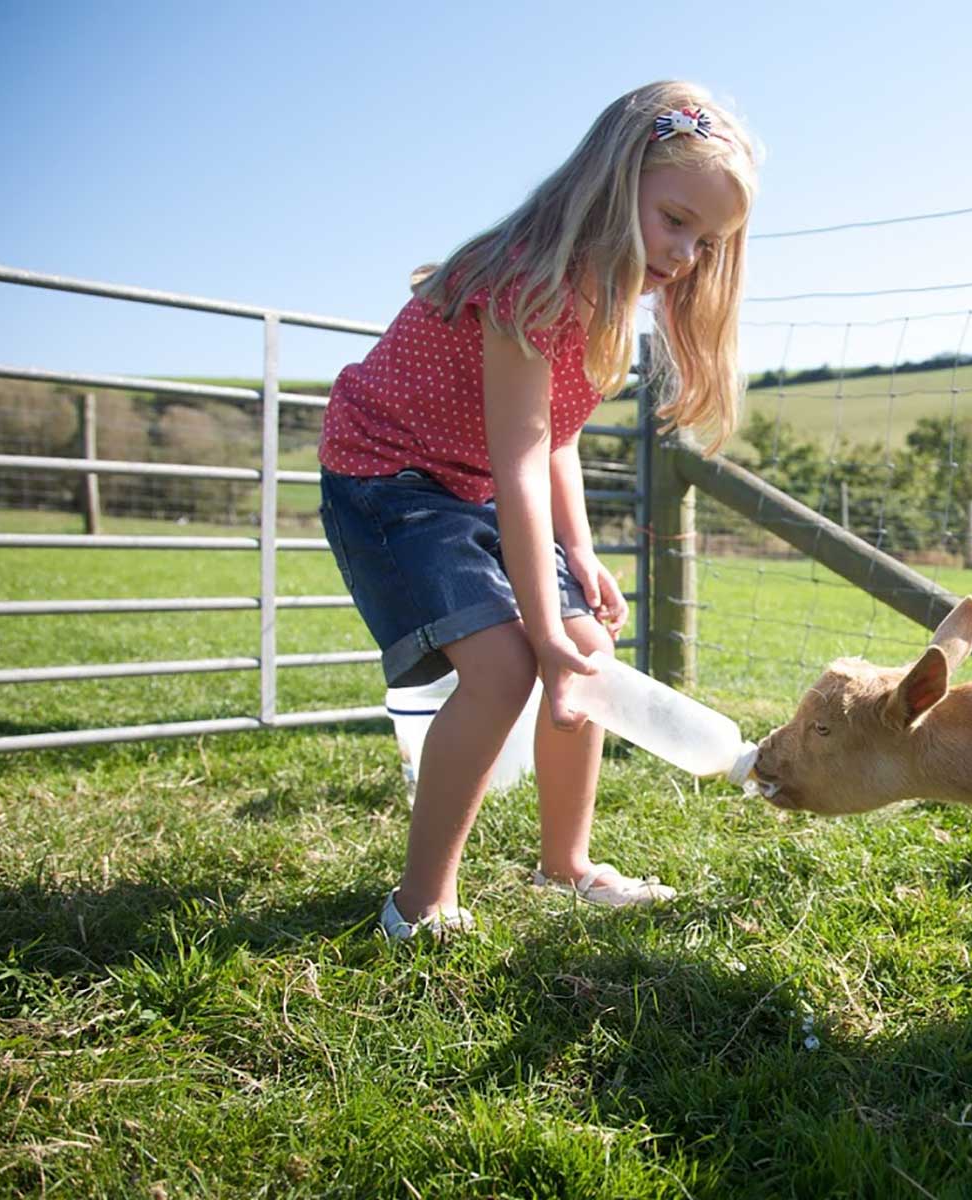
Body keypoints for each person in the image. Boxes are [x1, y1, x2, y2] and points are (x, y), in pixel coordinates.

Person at [317, 81, 758, 939]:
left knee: (588, 649)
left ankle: (568, 864)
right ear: (615, 179)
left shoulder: (605, 302)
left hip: (473, 482)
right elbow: (519, 455)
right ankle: (419, 905)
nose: (686, 253)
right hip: (391, 479)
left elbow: (554, 438)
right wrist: (540, 635)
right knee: (505, 667)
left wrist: (580, 558)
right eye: (675, 219)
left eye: (707, 242)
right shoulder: (530, 282)